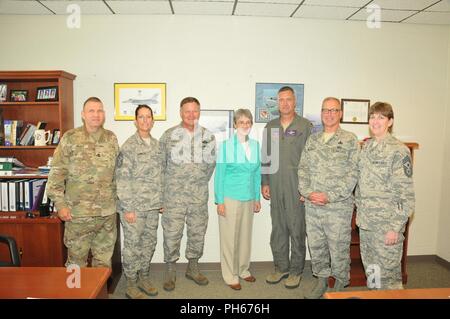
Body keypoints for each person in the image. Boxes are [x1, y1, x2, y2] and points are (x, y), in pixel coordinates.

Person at [47, 96, 119, 268]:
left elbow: (116, 174)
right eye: (91, 111)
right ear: (83, 115)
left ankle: (99, 295)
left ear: (104, 114)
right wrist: (60, 205)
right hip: (78, 214)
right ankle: (75, 294)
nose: (96, 114)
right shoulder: (70, 138)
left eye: (100, 110)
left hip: (106, 214)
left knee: (103, 262)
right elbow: (56, 174)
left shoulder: (111, 138)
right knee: (75, 263)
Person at [298, 97, 359, 298]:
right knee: (316, 246)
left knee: (338, 247)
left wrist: (329, 196)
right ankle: (322, 281)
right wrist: (307, 192)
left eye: (333, 110)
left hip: (337, 208)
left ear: (340, 113)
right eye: (325, 110)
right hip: (313, 206)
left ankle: (340, 283)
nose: (329, 114)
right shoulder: (313, 139)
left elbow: (353, 174)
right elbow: (303, 168)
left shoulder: (350, 140)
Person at [356, 102, 415, 290]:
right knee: (372, 274)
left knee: (389, 279)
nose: (375, 121)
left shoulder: (399, 151)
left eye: (381, 117)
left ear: (390, 122)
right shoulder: (366, 147)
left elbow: (405, 195)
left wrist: (395, 228)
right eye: (372, 117)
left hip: (386, 228)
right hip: (366, 225)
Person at [159, 97, 216, 291]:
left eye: (195, 111)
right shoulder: (169, 136)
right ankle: (170, 270)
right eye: (187, 111)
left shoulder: (208, 137)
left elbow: (210, 166)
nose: (191, 115)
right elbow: (161, 167)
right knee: (172, 234)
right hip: (173, 197)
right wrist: (163, 195)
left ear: (199, 112)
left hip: (198, 196)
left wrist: (197, 182)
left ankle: (193, 267)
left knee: (197, 233)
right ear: (180, 112)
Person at [261, 86, 313, 289]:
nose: (284, 103)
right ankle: (281, 267)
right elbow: (266, 157)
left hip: (296, 187)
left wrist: (306, 189)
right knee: (278, 229)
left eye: (288, 99)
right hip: (275, 186)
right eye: (281, 100)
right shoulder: (270, 127)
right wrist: (265, 182)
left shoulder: (305, 126)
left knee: (297, 229)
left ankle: (296, 271)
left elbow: (312, 160)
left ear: (295, 102)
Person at [115, 105, 163, 299]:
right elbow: (122, 179)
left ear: (153, 120)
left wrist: (162, 200)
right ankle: (131, 283)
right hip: (134, 207)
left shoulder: (158, 145)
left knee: (149, 243)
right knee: (133, 246)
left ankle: (144, 277)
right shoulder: (128, 146)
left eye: (148, 117)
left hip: (152, 206)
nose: (145, 120)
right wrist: (128, 208)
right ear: (135, 121)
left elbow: (161, 175)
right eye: (141, 117)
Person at [214, 109, 261, 291]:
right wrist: (220, 201)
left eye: (248, 122)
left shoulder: (256, 145)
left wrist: (257, 197)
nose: (245, 125)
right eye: (241, 122)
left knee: (245, 237)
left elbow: (256, 173)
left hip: (249, 197)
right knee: (229, 238)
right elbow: (220, 175)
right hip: (230, 197)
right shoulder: (226, 146)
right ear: (235, 125)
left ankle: (243, 269)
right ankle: (230, 274)